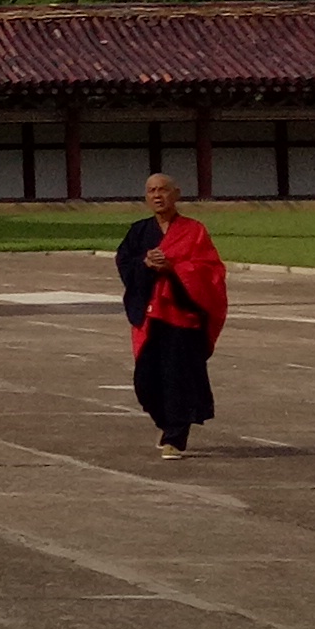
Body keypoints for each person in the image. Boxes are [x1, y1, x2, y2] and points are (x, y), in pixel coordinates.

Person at [115, 172, 226, 457]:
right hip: (150, 318)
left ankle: (175, 437)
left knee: (178, 378)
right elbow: (125, 264)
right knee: (146, 381)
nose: (157, 195)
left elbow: (209, 270)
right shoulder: (139, 231)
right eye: (151, 190)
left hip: (182, 318)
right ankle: (166, 423)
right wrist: (146, 264)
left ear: (176, 194)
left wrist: (174, 269)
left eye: (163, 190)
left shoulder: (194, 230)